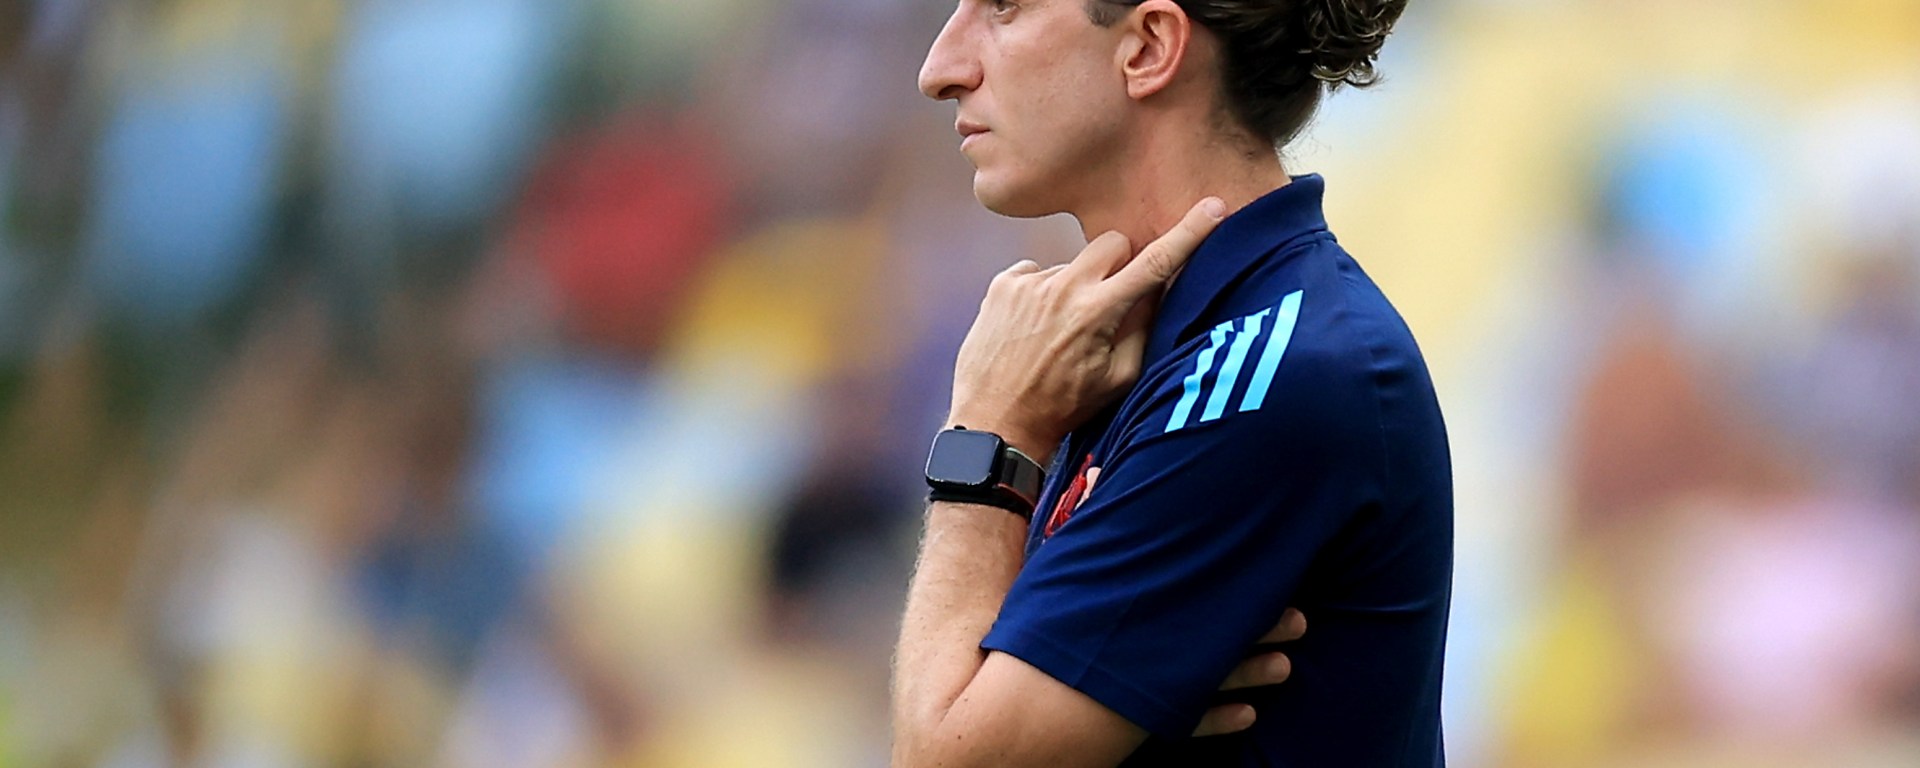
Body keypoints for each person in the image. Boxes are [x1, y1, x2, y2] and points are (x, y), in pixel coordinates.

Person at [892, 0, 1449, 766]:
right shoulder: (1131, 348)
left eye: (1004, 8)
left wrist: (985, 440)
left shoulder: (1268, 372)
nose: (940, 69)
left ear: (1150, 47)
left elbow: (946, 755)